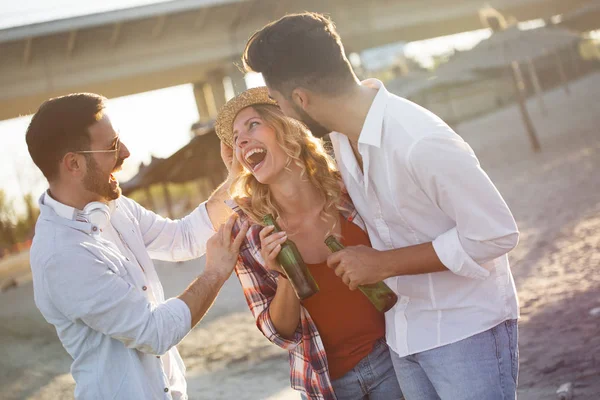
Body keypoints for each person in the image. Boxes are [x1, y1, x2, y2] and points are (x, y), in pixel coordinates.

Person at [241, 12, 520, 400]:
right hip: (403, 337)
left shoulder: (419, 140)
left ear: (301, 99)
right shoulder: (341, 142)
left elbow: (496, 234)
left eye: (279, 102)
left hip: (465, 331)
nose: (284, 113)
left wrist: (383, 264)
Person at [25, 93, 249, 400]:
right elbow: (154, 333)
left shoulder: (113, 204)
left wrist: (235, 178)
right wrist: (215, 274)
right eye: (112, 146)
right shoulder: (62, 256)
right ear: (74, 163)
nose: (127, 153)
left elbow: (182, 237)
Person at [212, 87, 403, 400]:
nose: (241, 140)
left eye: (253, 125)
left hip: (395, 359)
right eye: (235, 137)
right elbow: (279, 332)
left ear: (288, 127)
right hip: (328, 386)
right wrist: (285, 277)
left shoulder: (349, 190)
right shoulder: (248, 235)